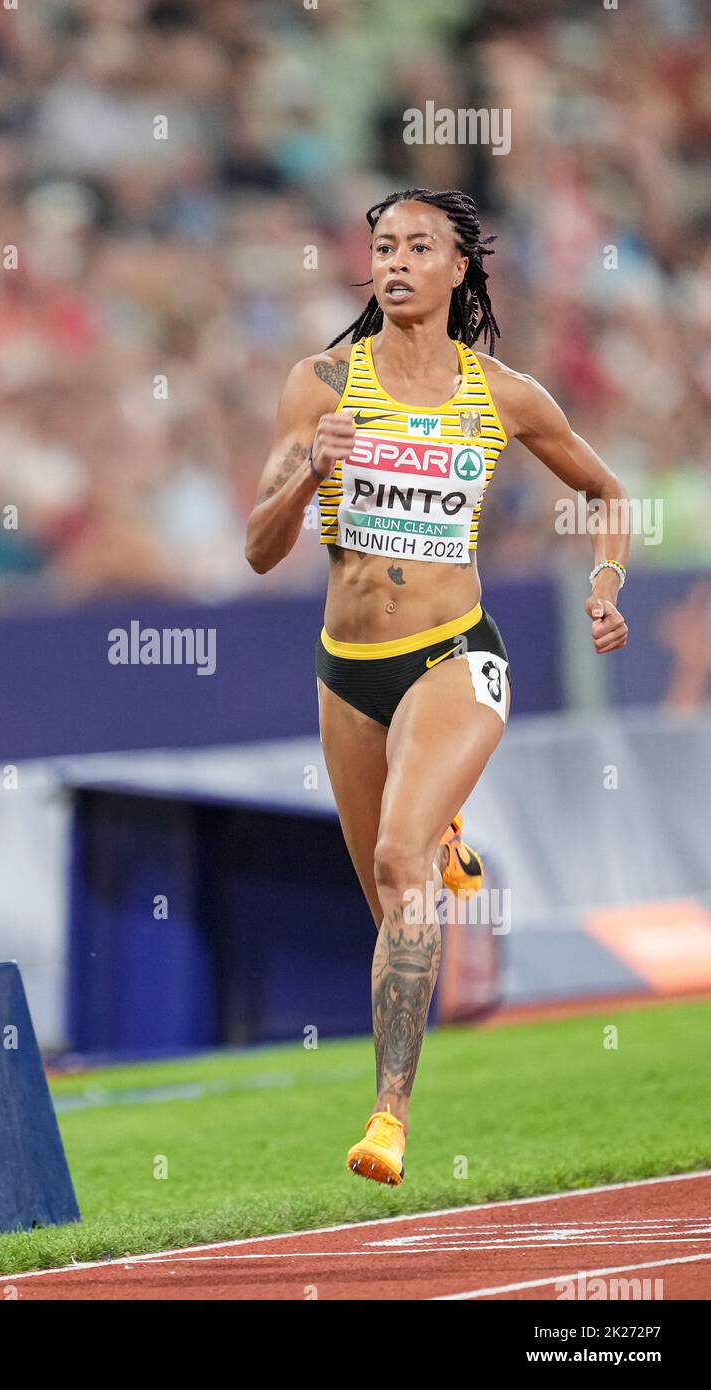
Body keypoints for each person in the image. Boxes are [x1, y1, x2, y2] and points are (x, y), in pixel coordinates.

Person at [244, 188, 630, 1185]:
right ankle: (445, 842)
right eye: (382, 246)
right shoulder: (321, 382)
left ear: (459, 268)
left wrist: (603, 580)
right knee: (389, 893)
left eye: (419, 245)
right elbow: (255, 549)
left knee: (397, 850)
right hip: (346, 671)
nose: (396, 261)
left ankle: (387, 1117)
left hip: (455, 654)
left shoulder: (500, 393)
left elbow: (604, 491)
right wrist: (302, 472)